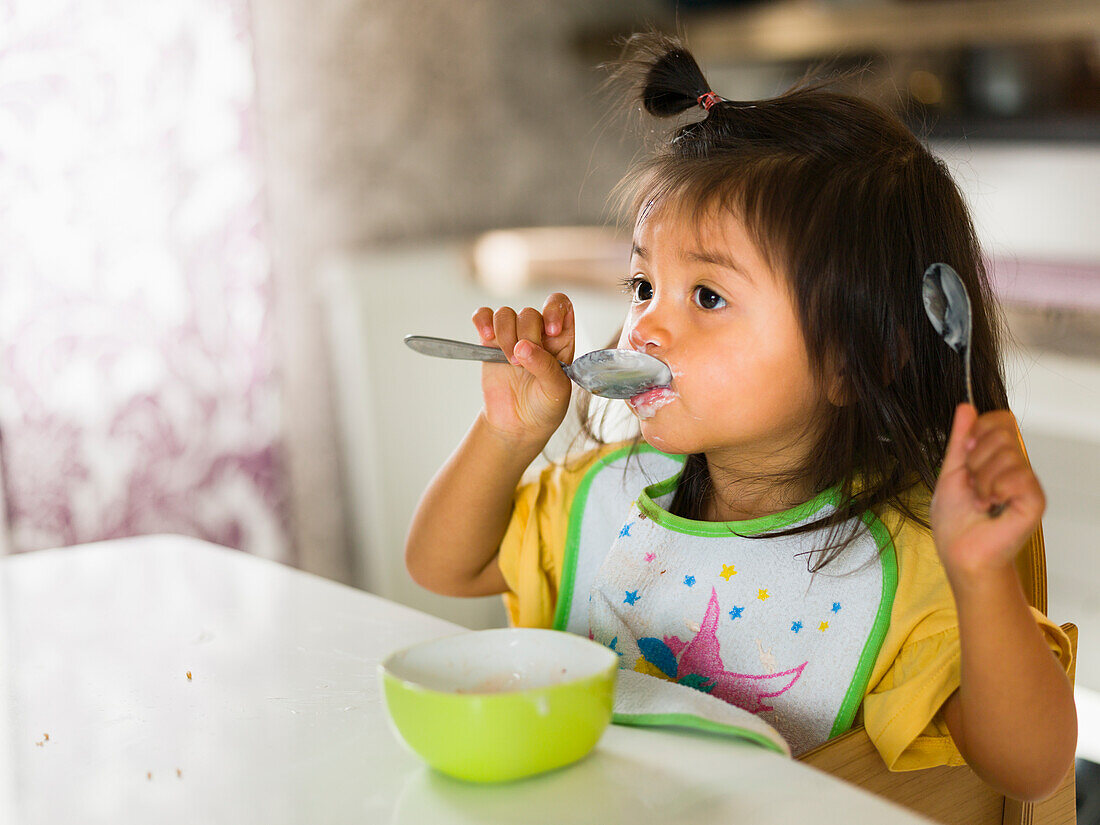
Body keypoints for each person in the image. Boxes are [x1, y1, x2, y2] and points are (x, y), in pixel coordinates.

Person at [405, 32, 1076, 799]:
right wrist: (510, 433)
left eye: (709, 296)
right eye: (642, 286)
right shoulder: (612, 493)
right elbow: (441, 566)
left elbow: (1032, 768)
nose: (646, 327)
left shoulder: (906, 564)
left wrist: (982, 577)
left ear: (858, 359)